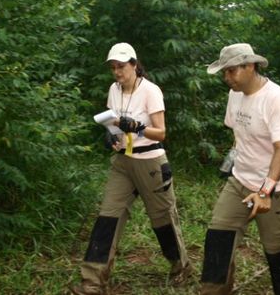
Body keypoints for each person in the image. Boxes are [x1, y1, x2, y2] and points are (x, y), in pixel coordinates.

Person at [69, 43, 191, 295]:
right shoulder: (113, 89)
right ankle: (93, 281)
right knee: (107, 217)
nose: (117, 72)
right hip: (123, 162)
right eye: (113, 67)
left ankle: (181, 267)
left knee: (163, 219)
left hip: (150, 162)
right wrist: (111, 136)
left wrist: (135, 127)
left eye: (122, 67)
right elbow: (112, 121)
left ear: (134, 65)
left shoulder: (150, 91)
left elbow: (161, 132)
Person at [199, 43, 280, 295]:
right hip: (239, 182)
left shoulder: (275, 99)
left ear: (250, 66)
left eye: (231, 71)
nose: (227, 78)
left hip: (275, 189)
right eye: (224, 72)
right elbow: (239, 134)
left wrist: (266, 191)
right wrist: (231, 161)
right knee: (218, 243)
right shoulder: (235, 95)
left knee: (276, 254)